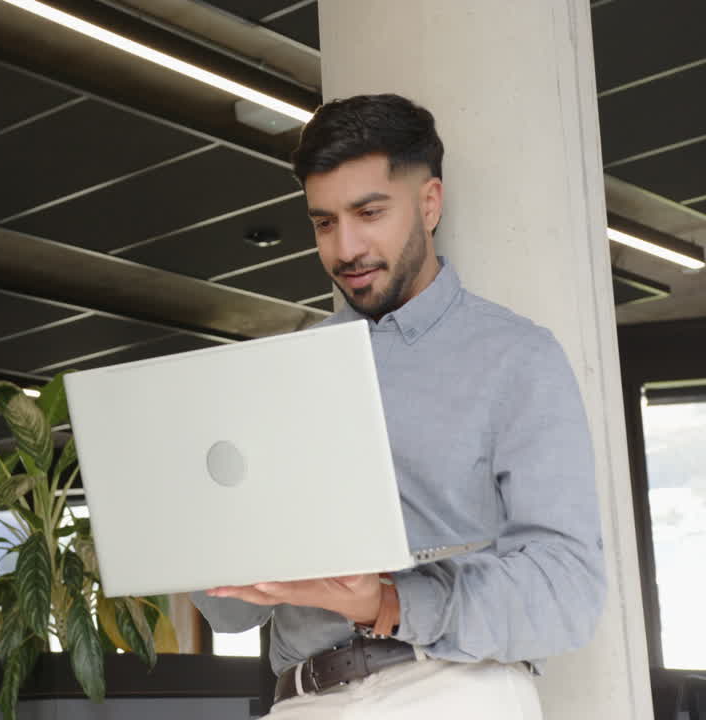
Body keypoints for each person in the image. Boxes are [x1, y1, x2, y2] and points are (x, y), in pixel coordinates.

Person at [190, 94, 606, 719]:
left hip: (452, 690)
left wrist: (387, 601)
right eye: (324, 222)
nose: (346, 248)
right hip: (301, 701)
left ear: (429, 203)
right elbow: (228, 613)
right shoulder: (280, 372)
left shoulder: (516, 356)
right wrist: (201, 510)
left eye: (369, 213)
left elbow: (568, 589)